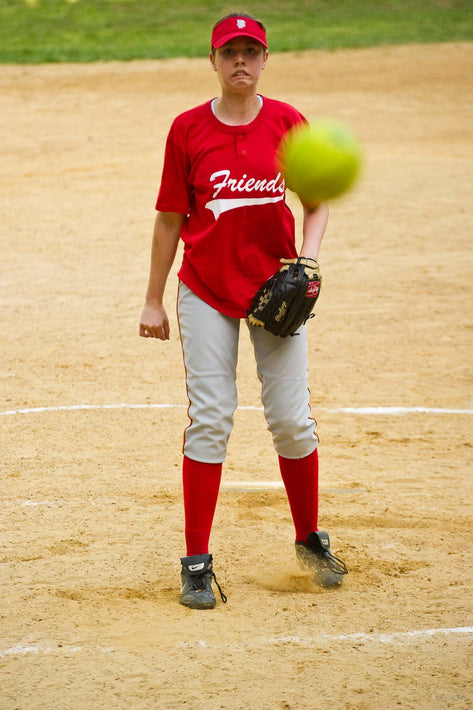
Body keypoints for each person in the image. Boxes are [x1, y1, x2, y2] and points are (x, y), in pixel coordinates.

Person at [139, 12, 348, 610]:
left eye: (250, 52)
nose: (240, 62)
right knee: (211, 417)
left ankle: (310, 538)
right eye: (229, 52)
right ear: (212, 60)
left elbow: (316, 203)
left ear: (264, 59)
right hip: (205, 286)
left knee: (291, 419)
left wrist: (306, 262)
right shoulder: (186, 129)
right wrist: (154, 299)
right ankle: (196, 562)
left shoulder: (287, 123)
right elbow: (170, 220)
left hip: (274, 291)